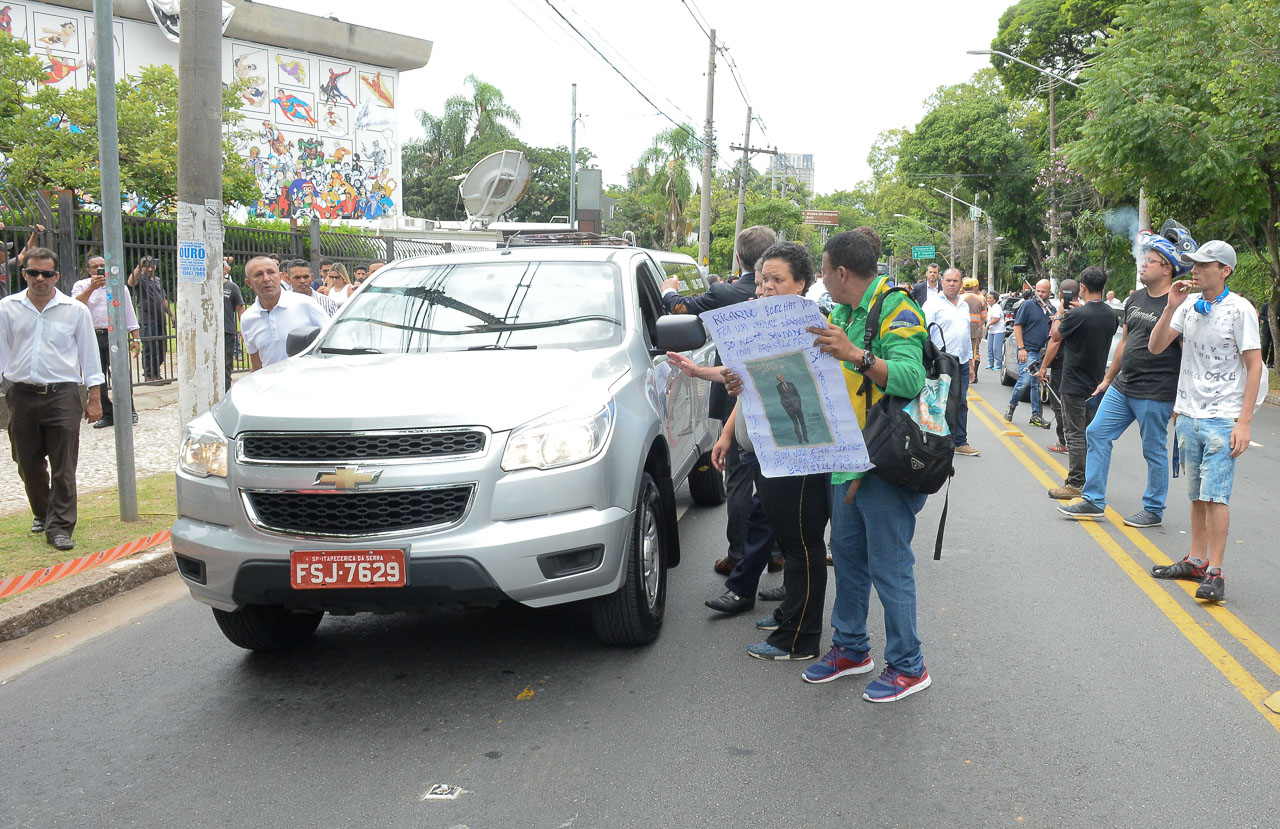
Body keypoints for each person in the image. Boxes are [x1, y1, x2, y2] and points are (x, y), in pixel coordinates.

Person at [800, 230, 932, 701]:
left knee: (889, 565)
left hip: (883, 461)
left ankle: (909, 666)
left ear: (841, 272)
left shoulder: (897, 308)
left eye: (823, 269)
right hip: (844, 457)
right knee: (849, 558)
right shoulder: (840, 311)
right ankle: (852, 648)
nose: (820, 278)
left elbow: (911, 377)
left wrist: (856, 354)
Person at [711, 242, 830, 660]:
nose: (766, 288)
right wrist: (728, 433)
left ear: (802, 284)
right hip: (766, 454)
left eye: (777, 280)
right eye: (763, 280)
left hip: (798, 454)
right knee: (791, 540)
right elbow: (747, 387)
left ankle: (798, 638)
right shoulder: (764, 326)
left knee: (802, 545)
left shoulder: (811, 327)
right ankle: (789, 616)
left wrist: (700, 371)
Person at [1146, 241, 1263, 603]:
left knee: (1216, 496)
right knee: (1196, 494)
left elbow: (1255, 365)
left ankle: (1215, 570)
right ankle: (1196, 560)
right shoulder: (1189, 308)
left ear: (1224, 270)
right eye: (1192, 264)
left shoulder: (1240, 309)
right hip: (1189, 414)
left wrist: (1243, 422)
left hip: (1222, 417)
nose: (1193, 270)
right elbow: (1156, 346)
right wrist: (1170, 308)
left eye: (1202, 265)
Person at [663, 225, 776, 577]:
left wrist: (667, 292)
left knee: (740, 480)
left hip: (735, 395)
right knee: (775, 479)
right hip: (772, 398)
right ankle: (776, 552)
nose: (762, 293)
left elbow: (681, 307)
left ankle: (740, 554)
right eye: (761, 285)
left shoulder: (724, 292)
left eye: (769, 285)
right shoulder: (793, 306)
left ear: (738, 258)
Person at [1059, 231, 1189, 528]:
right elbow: (1124, 343)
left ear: (1167, 268)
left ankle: (1153, 509)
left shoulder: (1178, 305)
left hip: (1156, 391)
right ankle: (1093, 500)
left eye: (1150, 261)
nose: (1142, 265)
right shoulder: (1136, 299)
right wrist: (1107, 380)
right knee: (1096, 433)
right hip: (1123, 386)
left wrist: (1182, 400)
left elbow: (1187, 355)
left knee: (1153, 450)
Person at [0, 248, 105, 551]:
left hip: (62, 395)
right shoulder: (8, 307)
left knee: (63, 466)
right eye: (34, 272)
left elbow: (89, 355)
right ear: (25, 274)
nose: (40, 279)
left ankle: (59, 527)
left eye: (47, 273)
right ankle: (42, 511)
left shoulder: (74, 310)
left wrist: (94, 396)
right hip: (21, 395)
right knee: (26, 463)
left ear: (57, 276)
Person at [1040, 267, 1118, 500]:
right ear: (1103, 287)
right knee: (1091, 434)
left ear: (1082, 287)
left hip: (1073, 382)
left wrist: (1061, 311)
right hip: (1096, 382)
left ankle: (1075, 482)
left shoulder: (1075, 315)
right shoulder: (1111, 315)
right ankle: (1091, 481)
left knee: (1074, 434)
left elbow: (1055, 335)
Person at [72, 255, 140, 428]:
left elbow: (128, 313)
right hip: (92, 336)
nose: (99, 269)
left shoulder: (118, 286)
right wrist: (91, 288)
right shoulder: (81, 286)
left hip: (114, 334)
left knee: (121, 374)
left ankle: (128, 410)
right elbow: (73, 307)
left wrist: (135, 338)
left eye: (102, 266)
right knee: (96, 375)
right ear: (89, 270)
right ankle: (107, 413)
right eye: (95, 267)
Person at [922, 268, 980, 457]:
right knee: (939, 402)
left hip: (961, 361)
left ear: (961, 283)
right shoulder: (932, 304)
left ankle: (960, 441)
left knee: (961, 402)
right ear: (942, 281)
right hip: (941, 361)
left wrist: (971, 363)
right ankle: (936, 440)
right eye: (948, 280)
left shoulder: (964, 304)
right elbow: (924, 333)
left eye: (955, 280)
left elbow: (966, 336)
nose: (951, 284)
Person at [240, 256, 331, 370]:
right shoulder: (248, 319)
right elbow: (256, 366)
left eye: (271, 272)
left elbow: (332, 341)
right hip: (272, 385)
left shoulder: (306, 304)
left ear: (280, 276)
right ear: (249, 282)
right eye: (259, 275)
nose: (266, 279)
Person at [1004, 278, 1054, 429]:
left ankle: (1036, 416)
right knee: (1024, 381)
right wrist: (1021, 348)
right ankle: (1012, 406)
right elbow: (1017, 326)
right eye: (1037, 291)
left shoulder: (1050, 309)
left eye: (1043, 292)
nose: (1039, 294)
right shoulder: (1027, 305)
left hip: (1041, 352)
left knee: (1036, 384)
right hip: (1028, 350)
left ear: (1049, 292)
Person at [127, 256, 175, 382]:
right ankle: (149, 375)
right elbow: (131, 282)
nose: (149, 269)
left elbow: (163, 299)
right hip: (148, 320)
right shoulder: (140, 279)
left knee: (161, 347)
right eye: (146, 266)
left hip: (160, 319)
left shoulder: (157, 280)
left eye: (152, 266)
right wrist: (139, 264)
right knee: (150, 347)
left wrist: (170, 314)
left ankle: (156, 373)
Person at [221, 259, 245, 391]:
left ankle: (225, 391)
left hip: (227, 331)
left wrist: (243, 327)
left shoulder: (231, 287)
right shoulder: (205, 287)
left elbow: (240, 308)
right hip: (210, 334)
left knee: (226, 364)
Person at [960, 277, 985, 383]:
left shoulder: (960, 298)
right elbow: (983, 317)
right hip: (975, 330)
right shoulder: (980, 299)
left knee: (961, 351)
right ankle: (972, 374)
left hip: (961, 330)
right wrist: (979, 328)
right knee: (973, 353)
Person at [775, 373, 807, 443]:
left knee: (802, 422)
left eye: (781, 377)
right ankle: (800, 439)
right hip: (789, 409)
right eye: (778, 378)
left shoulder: (791, 384)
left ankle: (805, 437)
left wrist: (799, 405)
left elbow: (797, 394)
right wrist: (786, 407)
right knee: (795, 423)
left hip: (797, 406)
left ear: (782, 376)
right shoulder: (778, 387)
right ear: (778, 380)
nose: (780, 379)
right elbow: (782, 398)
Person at [985, 290, 1005, 370]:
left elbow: (996, 318)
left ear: (995, 300)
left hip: (999, 331)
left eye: (990, 298)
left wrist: (988, 324)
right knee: (990, 348)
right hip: (991, 331)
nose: (988, 300)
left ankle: (998, 364)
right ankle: (991, 363)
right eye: (988, 298)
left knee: (996, 348)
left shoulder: (997, 307)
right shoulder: (990, 308)